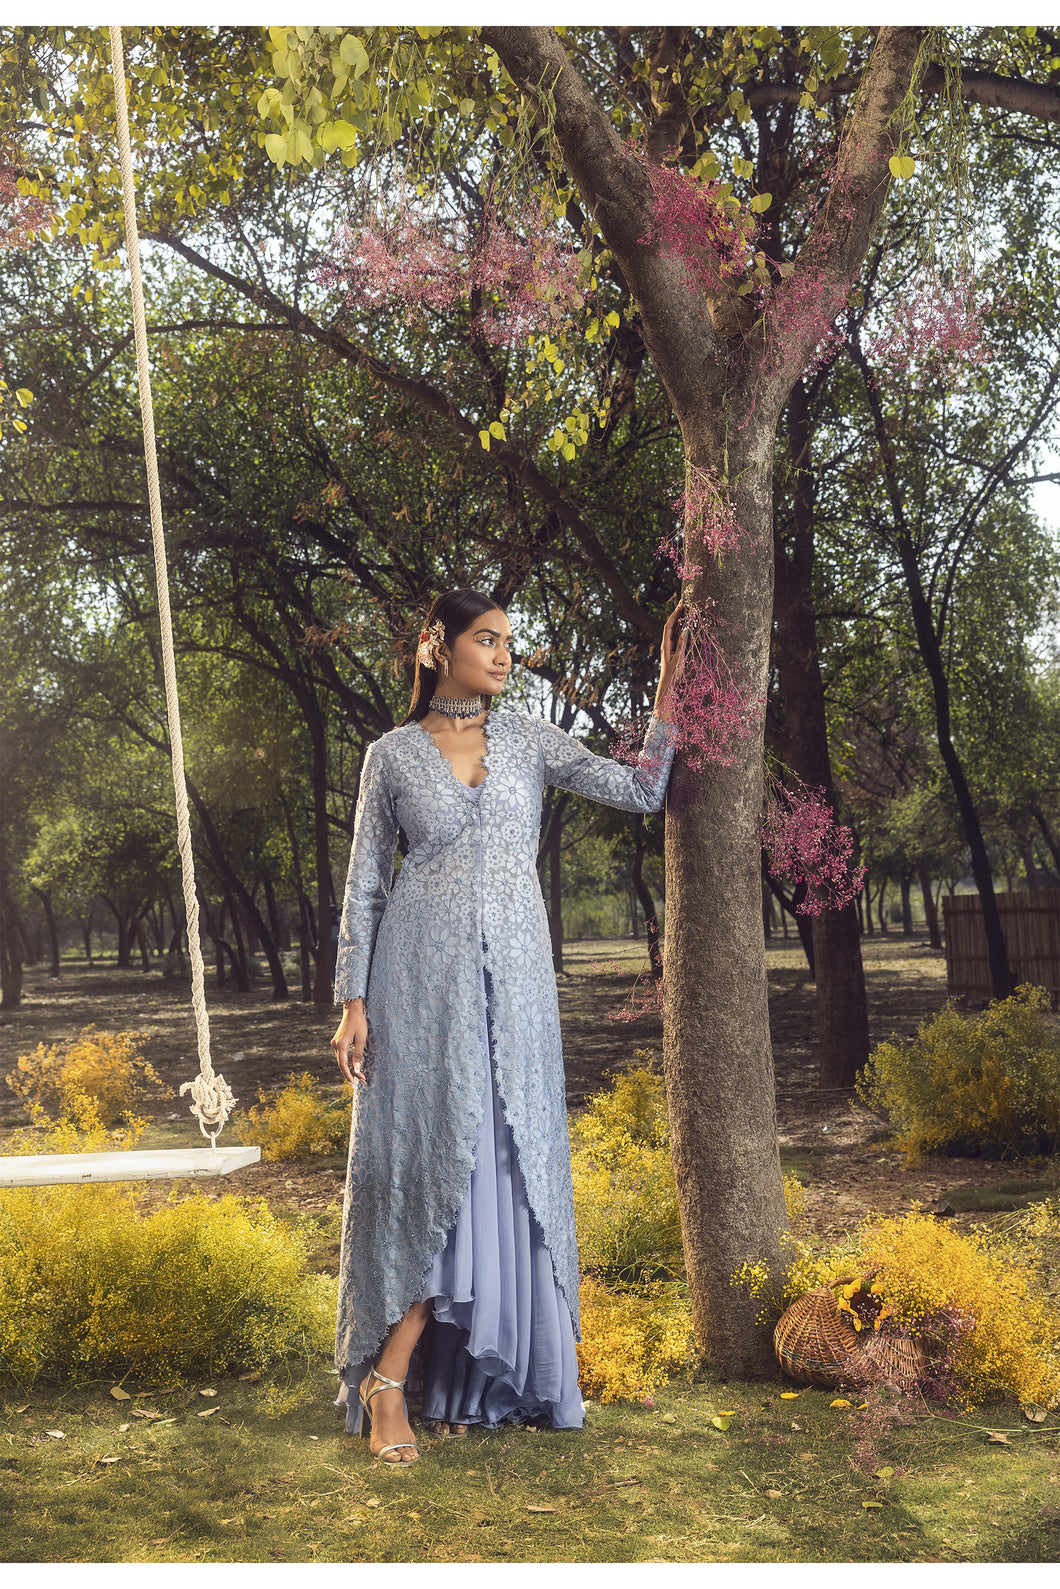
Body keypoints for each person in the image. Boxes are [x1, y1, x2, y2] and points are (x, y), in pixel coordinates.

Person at [330, 588, 686, 1462]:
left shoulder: (527, 737)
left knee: (497, 1173)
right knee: (428, 1172)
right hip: (417, 987)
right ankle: (386, 1384)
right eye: (486, 639)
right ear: (435, 645)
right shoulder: (391, 757)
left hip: (518, 991)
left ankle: (462, 1382)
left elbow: (639, 788)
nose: (502, 656)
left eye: (509, 644)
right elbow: (365, 884)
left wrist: (673, 689)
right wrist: (352, 1002)